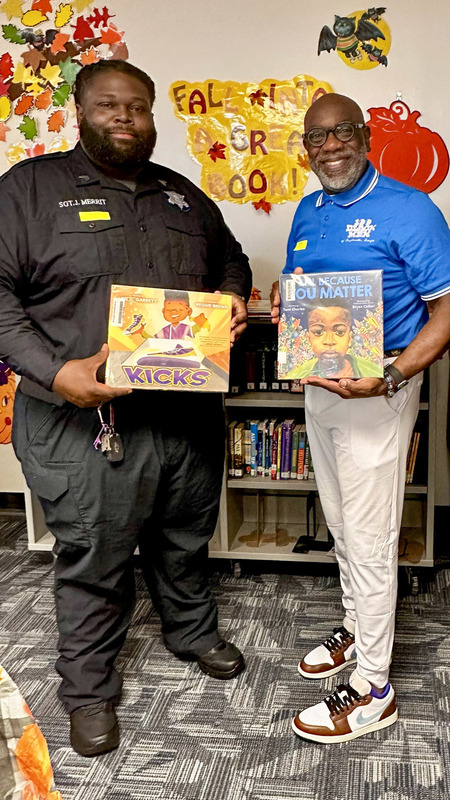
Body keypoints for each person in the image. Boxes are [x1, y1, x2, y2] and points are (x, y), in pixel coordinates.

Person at [0, 60, 252, 757]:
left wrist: (233, 296)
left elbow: (231, 259)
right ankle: (88, 690)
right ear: (79, 110)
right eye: (108, 105)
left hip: (183, 416)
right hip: (82, 421)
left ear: (151, 116)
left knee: (183, 537)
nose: (123, 117)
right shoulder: (28, 190)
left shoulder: (181, 196)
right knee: (94, 555)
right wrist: (55, 370)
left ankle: (193, 633)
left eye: (137, 106)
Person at [271, 93, 450, 743]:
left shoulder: (410, 208)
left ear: (365, 136)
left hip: (378, 388)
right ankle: (358, 628)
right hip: (321, 388)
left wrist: (390, 375)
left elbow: (446, 311)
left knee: (373, 534)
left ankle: (374, 687)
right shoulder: (308, 209)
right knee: (343, 523)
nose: (329, 147)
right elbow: (304, 295)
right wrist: (282, 303)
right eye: (316, 138)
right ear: (307, 148)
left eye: (342, 133)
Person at [284, 299, 379, 379]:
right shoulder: (298, 374)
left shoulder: (373, 372)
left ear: (350, 335)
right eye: (318, 332)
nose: (329, 341)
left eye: (340, 332)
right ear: (308, 337)